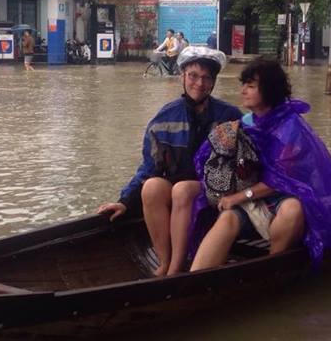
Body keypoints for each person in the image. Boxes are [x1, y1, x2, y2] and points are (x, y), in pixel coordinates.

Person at [189, 58, 331, 271]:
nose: (243, 91)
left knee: (292, 209)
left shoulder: (290, 128)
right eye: (244, 85)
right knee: (227, 220)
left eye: (250, 86)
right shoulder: (247, 123)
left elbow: (280, 181)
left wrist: (238, 197)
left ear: (269, 90)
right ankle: (193, 279)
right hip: (255, 199)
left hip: (287, 197)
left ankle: (271, 269)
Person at [96, 47, 241, 276]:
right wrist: (125, 201)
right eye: (193, 76)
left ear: (213, 82)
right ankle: (165, 260)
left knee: (182, 190)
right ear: (182, 76)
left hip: (214, 192)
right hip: (177, 192)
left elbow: (243, 163)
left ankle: (175, 269)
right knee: (152, 187)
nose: (199, 83)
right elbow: (148, 167)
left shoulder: (229, 116)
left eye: (206, 78)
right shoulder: (165, 117)